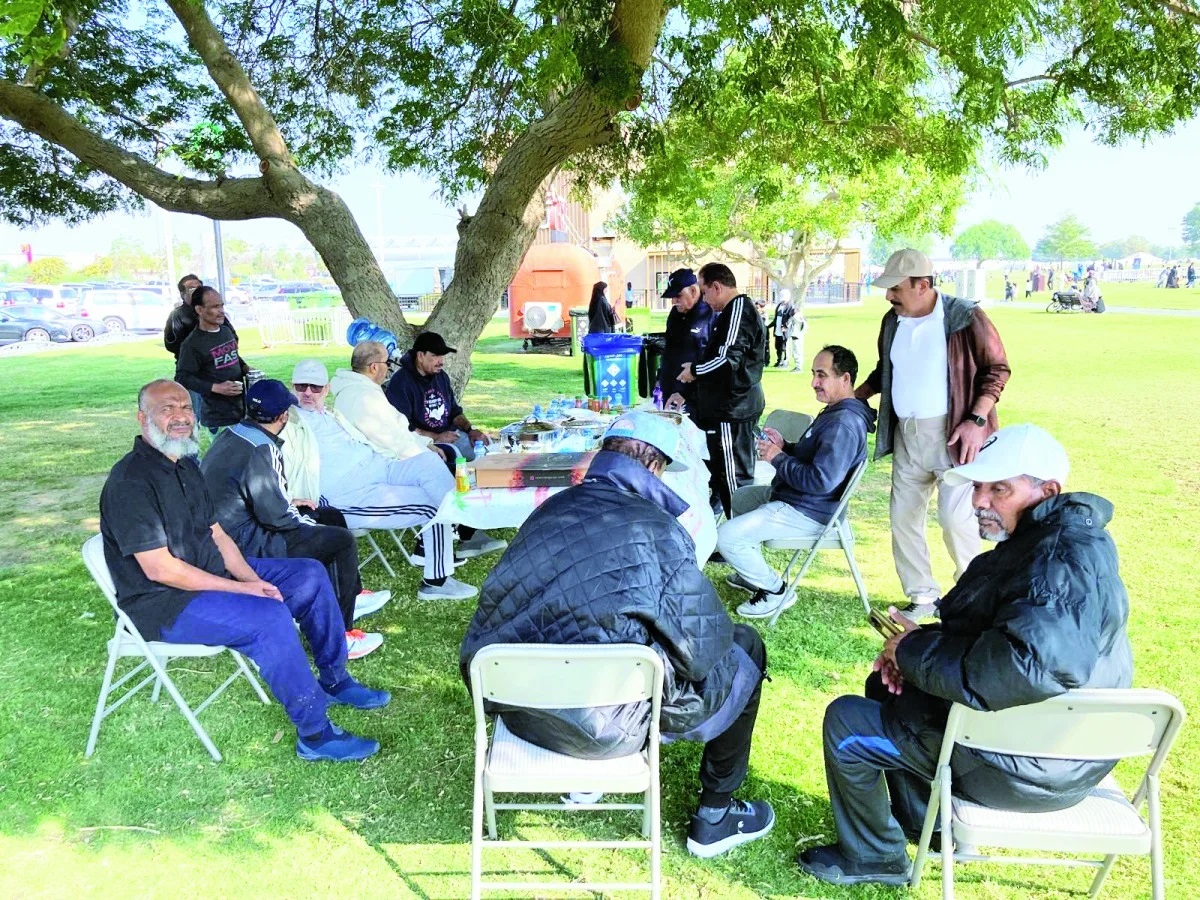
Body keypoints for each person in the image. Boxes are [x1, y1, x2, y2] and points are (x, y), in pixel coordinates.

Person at [797, 424, 1133, 886]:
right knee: (886, 687)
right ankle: (932, 827)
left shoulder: (1053, 561)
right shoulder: (1067, 543)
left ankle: (875, 857)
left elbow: (1030, 666)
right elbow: (1003, 637)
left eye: (1000, 489)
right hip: (1067, 756)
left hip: (1024, 766)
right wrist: (914, 649)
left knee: (847, 722)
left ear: (1048, 491)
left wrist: (913, 650)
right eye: (977, 486)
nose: (979, 501)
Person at [460, 412, 775, 858]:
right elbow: (703, 649)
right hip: (610, 726)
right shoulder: (660, 530)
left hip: (521, 710)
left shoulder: (547, 510)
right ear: (653, 467)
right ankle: (715, 817)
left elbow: (488, 621)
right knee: (745, 646)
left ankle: (583, 782)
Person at [99, 379, 390, 762]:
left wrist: (253, 580)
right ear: (143, 418)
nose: (181, 416)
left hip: (209, 575)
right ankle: (315, 735)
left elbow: (217, 534)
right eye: (167, 409)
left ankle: (335, 679)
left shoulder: (185, 464)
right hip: (165, 604)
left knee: (309, 575)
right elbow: (160, 569)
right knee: (268, 617)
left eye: (185, 407)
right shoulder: (130, 483)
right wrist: (243, 590)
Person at [855, 249, 1010, 621]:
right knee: (903, 518)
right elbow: (885, 370)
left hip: (955, 434)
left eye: (896, 289)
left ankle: (972, 598)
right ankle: (922, 596)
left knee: (957, 520)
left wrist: (976, 420)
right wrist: (855, 396)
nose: (889, 296)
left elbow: (997, 369)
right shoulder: (892, 321)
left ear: (922, 285)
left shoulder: (964, 317)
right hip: (907, 435)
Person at [200, 379, 385, 660]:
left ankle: (351, 596)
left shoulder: (231, 434)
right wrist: (306, 520)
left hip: (227, 534)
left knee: (331, 515)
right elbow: (277, 518)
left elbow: (254, 494)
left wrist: (293, 505)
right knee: (340, 540)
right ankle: (339, 637)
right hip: (245, 546)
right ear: (284, 416)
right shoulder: (263, 447)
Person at [327, 345, 501, 599]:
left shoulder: (363, 390)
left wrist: (426, 446)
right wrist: (425, 447)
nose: (389, 369)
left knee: (436, 471)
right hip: (376, 469)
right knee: (438, 473)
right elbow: (390, 440)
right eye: (387, 363)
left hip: (382, 463)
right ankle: (465, 526)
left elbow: (398, 431)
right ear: (374, 367)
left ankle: (455, 537)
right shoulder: (360, 397)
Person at [717, 346, 875, 619]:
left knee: (726, 537)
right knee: (741, 498)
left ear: (845, 379)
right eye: (814, 374)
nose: (814, 382)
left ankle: (776, 591)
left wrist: (777, 458)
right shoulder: (835, 411)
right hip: (798, 498)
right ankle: (753, 574)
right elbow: (814, 460)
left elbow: (821, 481)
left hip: (809, 510)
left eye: (822, 375)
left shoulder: (843, 424)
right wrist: (785, 447)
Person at [680, 262, 767, 519]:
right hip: (728, 407)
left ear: (716, 287)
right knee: (723, 475)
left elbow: (727, 360)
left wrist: (695, 370)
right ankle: (734, 527)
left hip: (734, 409)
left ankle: (739, 531)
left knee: (733, 478)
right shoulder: (730, 312)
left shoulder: (738, 310)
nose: (704, 299)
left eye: (704, 291)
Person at [384, 331, 491, 462]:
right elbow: (403, 427)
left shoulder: (441, 376)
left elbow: (454, 412)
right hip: (425, 443)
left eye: (442, 356)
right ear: (420, 356)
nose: (441, 362)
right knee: (467, 460)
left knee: (489, 450)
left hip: (452, 435)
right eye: (435, 356)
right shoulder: (401, 382)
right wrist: (436, 437)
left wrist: (470, 430)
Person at [175, 286, 248, 429]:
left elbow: (233, 356)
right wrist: (216, 388)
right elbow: (182, 377)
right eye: (215, 307)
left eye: (221, 305)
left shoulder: (226, 331)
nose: (221, 311)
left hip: (241, 410)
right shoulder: (192, 344)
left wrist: (246, 368)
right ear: (199, 310)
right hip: (217, 417)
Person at [657, 268, 714, 417]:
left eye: (678, 296)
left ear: (693, 291)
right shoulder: (675, 314)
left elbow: (711, 361)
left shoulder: (710, 314)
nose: (674, 302)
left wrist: (687, 393)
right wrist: (660, 378)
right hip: (670, 391)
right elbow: (669, 349)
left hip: (696, 398)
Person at [163, 273, 203, 360]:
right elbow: (172, 345)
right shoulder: (177, 315)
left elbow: (230, 334)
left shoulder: (212, 310)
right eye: (192, 289)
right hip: (191, 364)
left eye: (200, 288)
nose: (198, 292)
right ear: (182, 294)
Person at [768, 295, 796, 368]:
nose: (783, 301)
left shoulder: (790, 306)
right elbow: (776, 319)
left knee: (785, 347)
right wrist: (768, 326)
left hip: (785, 331)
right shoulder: (779, 306)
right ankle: (779, 361)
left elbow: (790, 318)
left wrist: (785, 326)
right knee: (778, 347)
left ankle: (785, 362)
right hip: (777, 330)